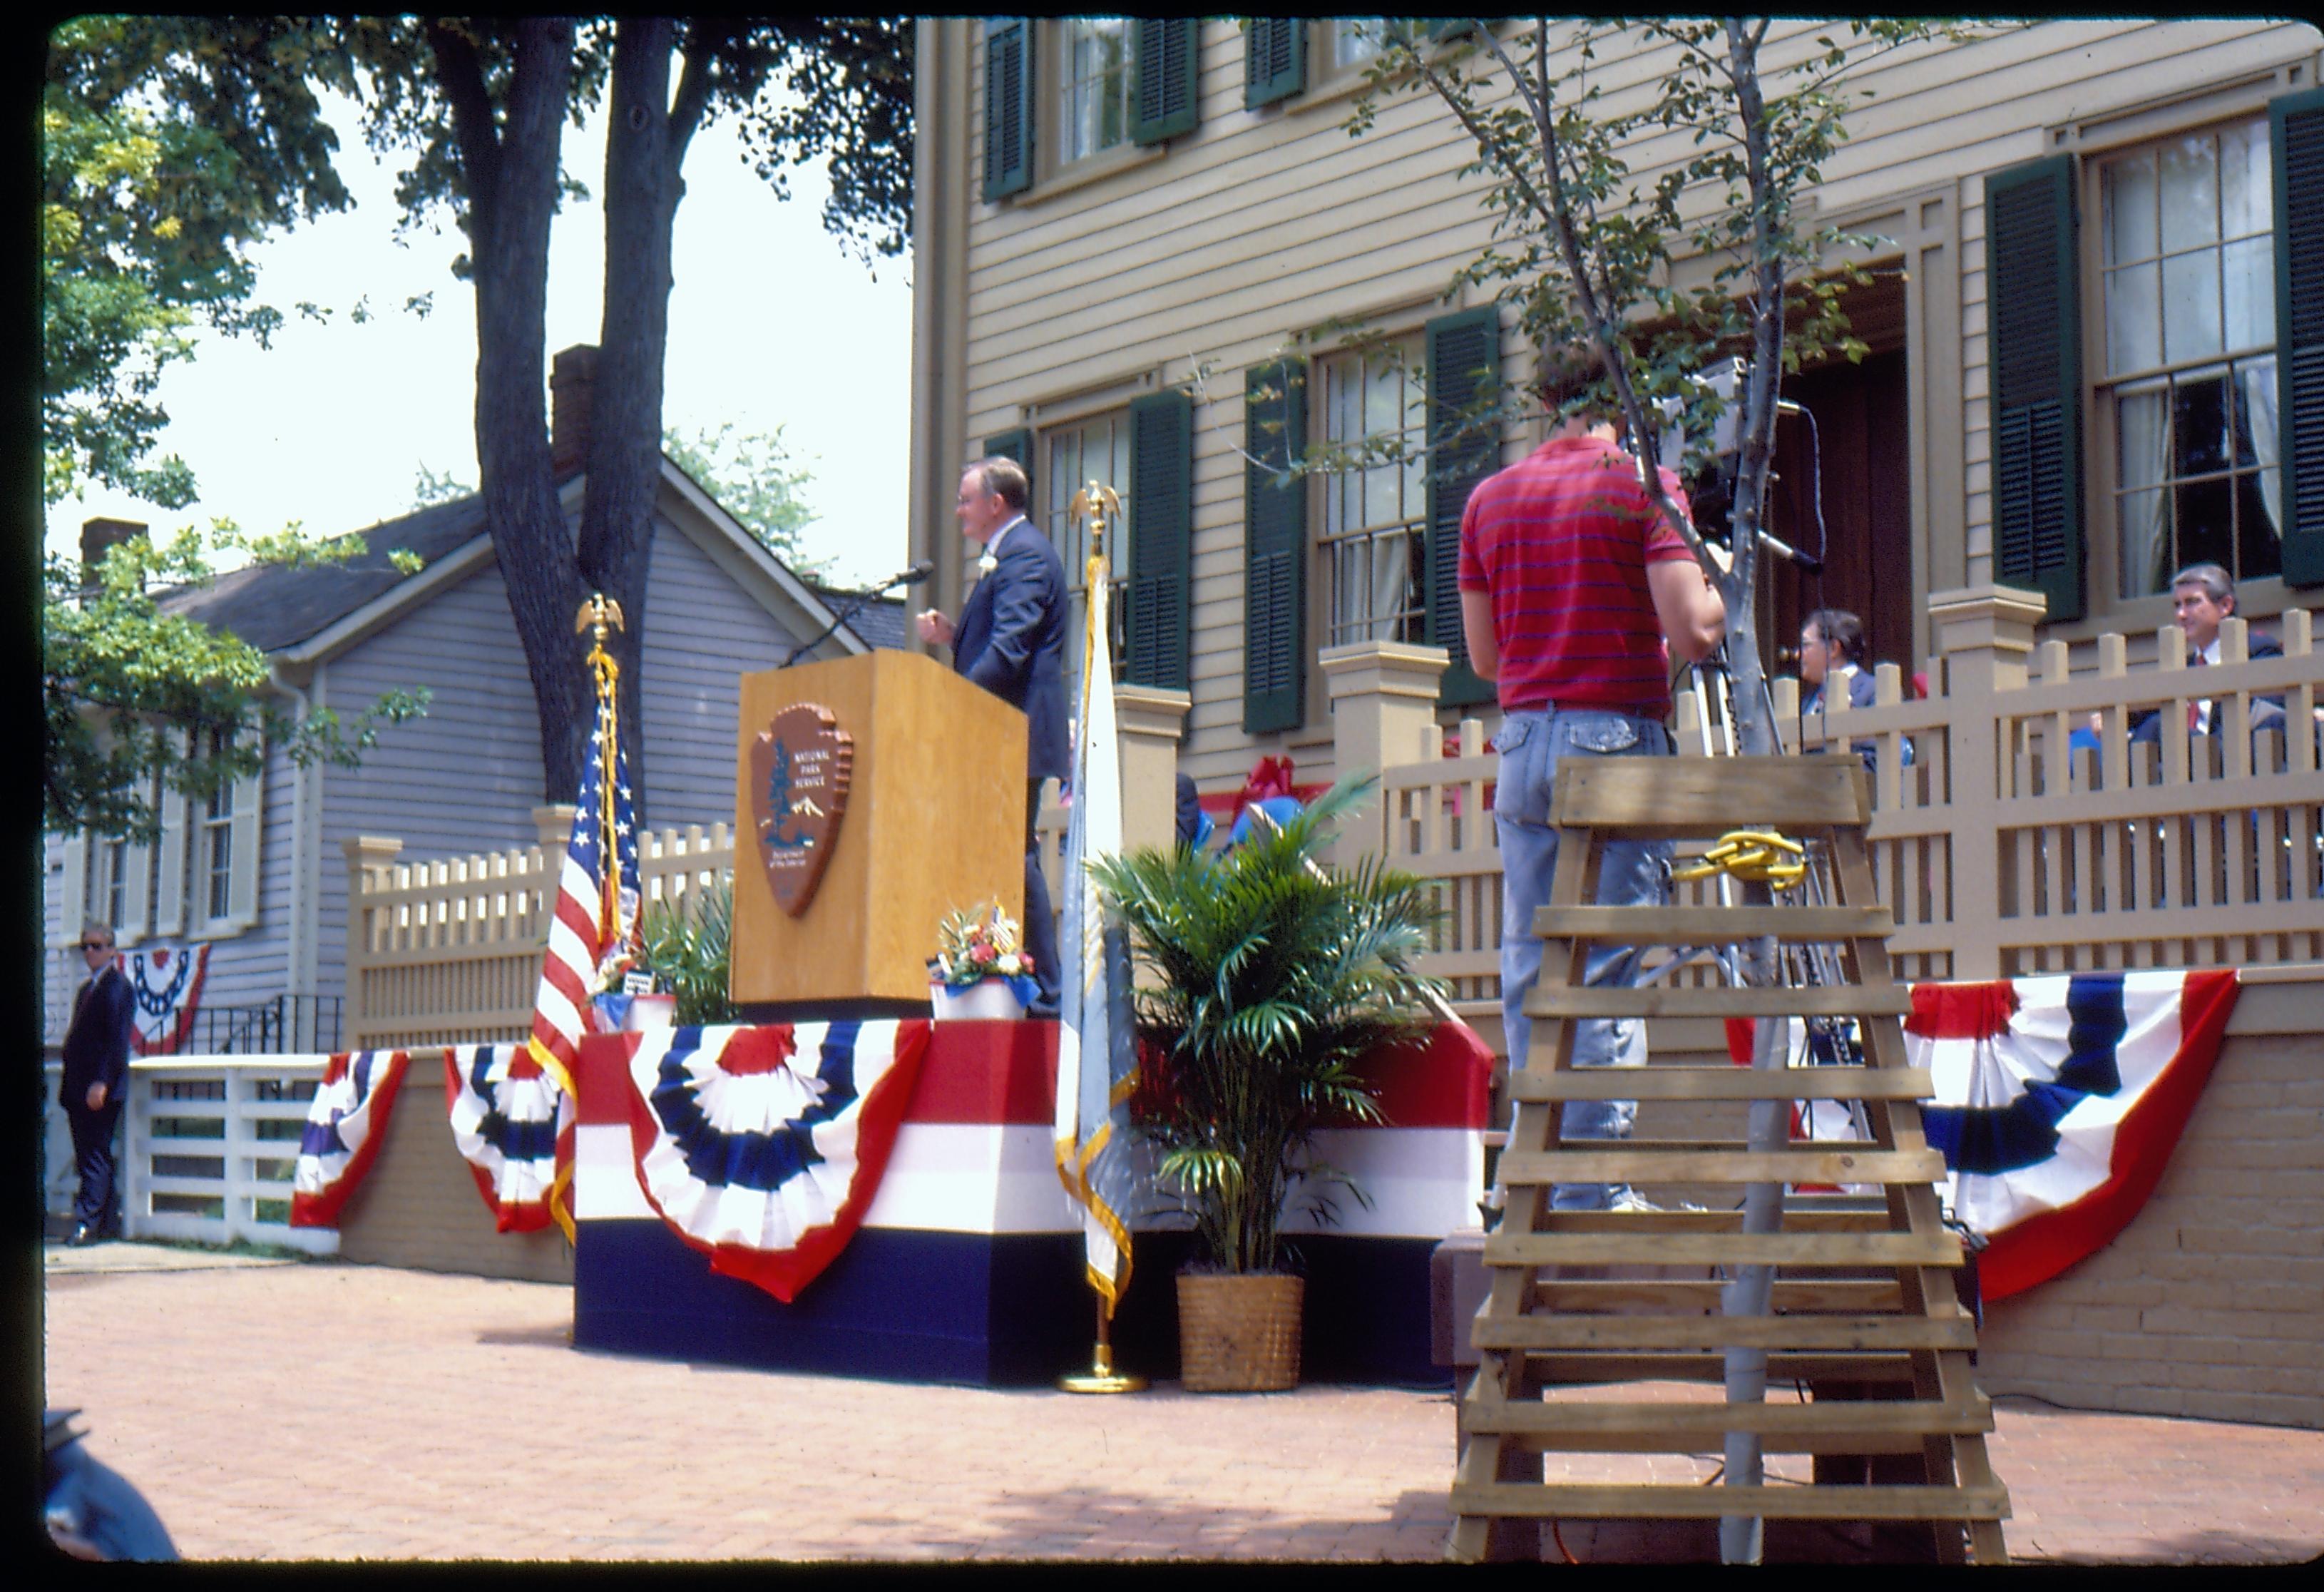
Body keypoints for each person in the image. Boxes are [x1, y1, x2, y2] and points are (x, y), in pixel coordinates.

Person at [1459, 347, 1726, 1213]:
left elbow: (1484, 657)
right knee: (1604, 970)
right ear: (1621, 396)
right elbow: (1691, 632)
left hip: (1525, 738)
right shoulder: (1641, 484)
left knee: (1533, 969)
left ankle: (1533, 1185)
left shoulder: (1488, 500)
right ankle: (1588, 1199)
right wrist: (1721, 578)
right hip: (1611, 740)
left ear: (1543, 401)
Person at [915, 456, 1070, 1014]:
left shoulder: (1024, 555)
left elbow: (1009, 653)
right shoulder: (1009, 554)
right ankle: (1009, 975)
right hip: (998, 731)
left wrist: (950, 704)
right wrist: (954, 636)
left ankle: (1049, 994)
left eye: (964, 499)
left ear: (995, 504)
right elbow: (1001, 642)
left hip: (1013, 732)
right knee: (1001, 852)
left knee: (1014, 853)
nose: (958, 510)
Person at [2116, 563, 2291, 745]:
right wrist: (2121, 717)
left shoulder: (2258, 651)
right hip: (2186, 762)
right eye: (2177, 605)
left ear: (2225, 605)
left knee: (2158, 727)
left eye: (2192, 602)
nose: (2181, 614)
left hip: (2235, 754)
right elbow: (2150, 709)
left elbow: (2265, 718)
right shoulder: (2184, 666)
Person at [60, 921, 135, 1245]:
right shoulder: (86, 990)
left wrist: (102, 1081)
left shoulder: (118, 987)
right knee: (90, 1153)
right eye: (85, 946)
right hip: (78, 1086)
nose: (90, 952)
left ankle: (88, 1223)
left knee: (94, 1155)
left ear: (112, 950)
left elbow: (117, 1041)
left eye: (96, 946)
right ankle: (106, 1222)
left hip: (98, 1088)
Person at [1798, 608, 1910, 773]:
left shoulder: (1874, 691)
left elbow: (1878, 759)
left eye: (1806, 645)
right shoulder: (1809, 700)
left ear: (1834, 648)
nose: (1798, 654)